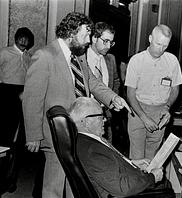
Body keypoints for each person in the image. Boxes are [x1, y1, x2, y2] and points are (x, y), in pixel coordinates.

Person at [22, 12, 130, 198]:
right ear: (71, 33)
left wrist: (113, 98)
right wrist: (33, 135)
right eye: (85, 35)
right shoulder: (44, 56)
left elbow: (93, 82)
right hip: (57, 133)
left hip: (80, 132)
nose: (89, 40)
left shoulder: (79, 58)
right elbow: (32, 99)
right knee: (54, 187)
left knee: (76, 182)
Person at [70, 97, 168, 197]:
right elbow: (122, 188)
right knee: (166, 189)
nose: (105, 120)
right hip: (127, 192)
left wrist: (132, 163)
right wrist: (152, 178)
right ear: (86, 122)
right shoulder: (91, 151)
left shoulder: (88, 141)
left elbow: (109, 165)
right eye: (100, 116)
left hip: (128, 180)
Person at [125, 24, 182, 160]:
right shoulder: (136, 61)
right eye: (158, 44)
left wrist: (167, 107)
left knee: (153, 158)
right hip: (138, 111)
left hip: (160, 112)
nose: (161, 49)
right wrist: (144, 118)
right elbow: (130, 94)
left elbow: (175, 89)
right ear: (150, 38)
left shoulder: (172, 61)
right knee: (137, 159)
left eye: (165, 46)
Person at [0, 27, 34, 192]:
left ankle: (10, 179)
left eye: (26, 39)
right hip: (5, 95)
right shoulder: (4, 52)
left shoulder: (28, 56)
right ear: (16, 38)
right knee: (3, 140)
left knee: (17, 141)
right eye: (21, 38)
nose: (23, 41)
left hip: (23, 96)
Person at [87, 22, 120, 143]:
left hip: (105, 114)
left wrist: (112, 101)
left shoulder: (111, 59)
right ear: (94, 38)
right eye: (105, 41)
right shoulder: (81, 57)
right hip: (85, 115)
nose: (109, 46)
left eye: (111, 42)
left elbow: (116, 82)